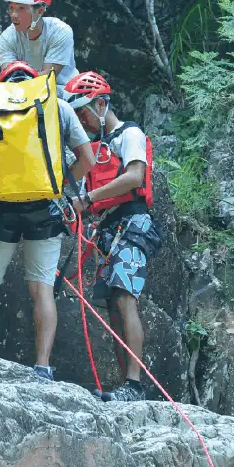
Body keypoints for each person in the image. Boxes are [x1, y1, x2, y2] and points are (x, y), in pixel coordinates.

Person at [0, 62, 94, 380]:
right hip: (44, 209)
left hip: (0, 209)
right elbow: (87, 159)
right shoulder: (57, 106)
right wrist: (58, 186)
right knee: (42, 290)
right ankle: (42, 366)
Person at [64, 71, 161, 402]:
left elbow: (135, 177)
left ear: (101, 104)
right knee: (112, 303)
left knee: (124, 296)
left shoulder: (128, 135)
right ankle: (126, 384)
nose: (81, 120)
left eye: (83, 112)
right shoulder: (96, 148)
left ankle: (134, 384)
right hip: (108, 229)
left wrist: (88, 201)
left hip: (133, 223)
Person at [0, 0, 79, 86]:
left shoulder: (60, 31)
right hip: (24, 94)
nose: (14, 15)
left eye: (21, 8)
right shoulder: (7, 37)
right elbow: (7, 75)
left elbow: (48, 77)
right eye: (11, 8)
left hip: (62, 94)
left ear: (40, 11)